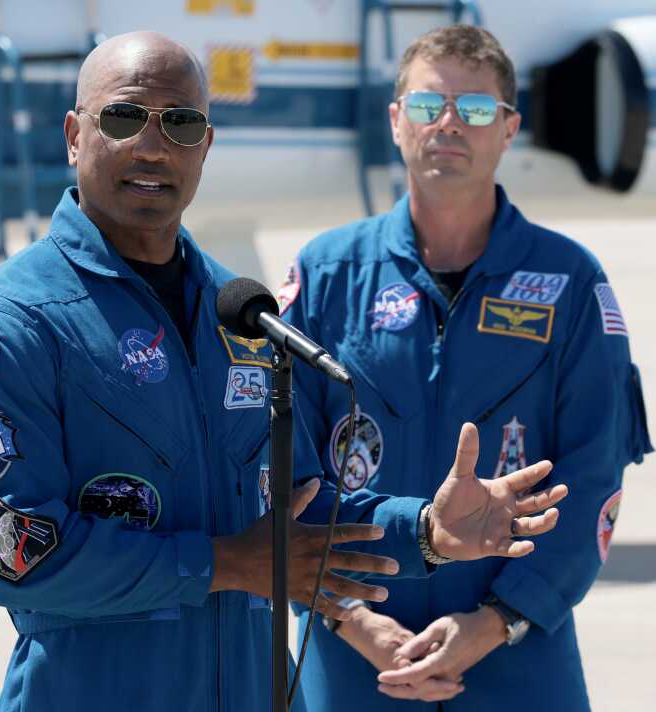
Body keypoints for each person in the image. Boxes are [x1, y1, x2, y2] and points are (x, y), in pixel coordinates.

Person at [0, 31, 567, 711]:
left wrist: (426, 531)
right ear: (73, 136)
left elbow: (286, 509)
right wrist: (225, 565)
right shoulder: (13, 324)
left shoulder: (240, 314)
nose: (152, 146)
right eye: (123, 118)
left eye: (180, 123)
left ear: (205, 147)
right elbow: (18, 559)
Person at [278, 25, 652, 711]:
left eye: (476, 109)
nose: (449, 124)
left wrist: (496, 622)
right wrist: (349, 618)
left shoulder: (568, 283)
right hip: (352, 657)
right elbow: (278, 466)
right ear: (396, 120)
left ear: (509, 129)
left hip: (516, 654)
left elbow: (594, 468)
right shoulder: (326, 275)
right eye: (428, 105)